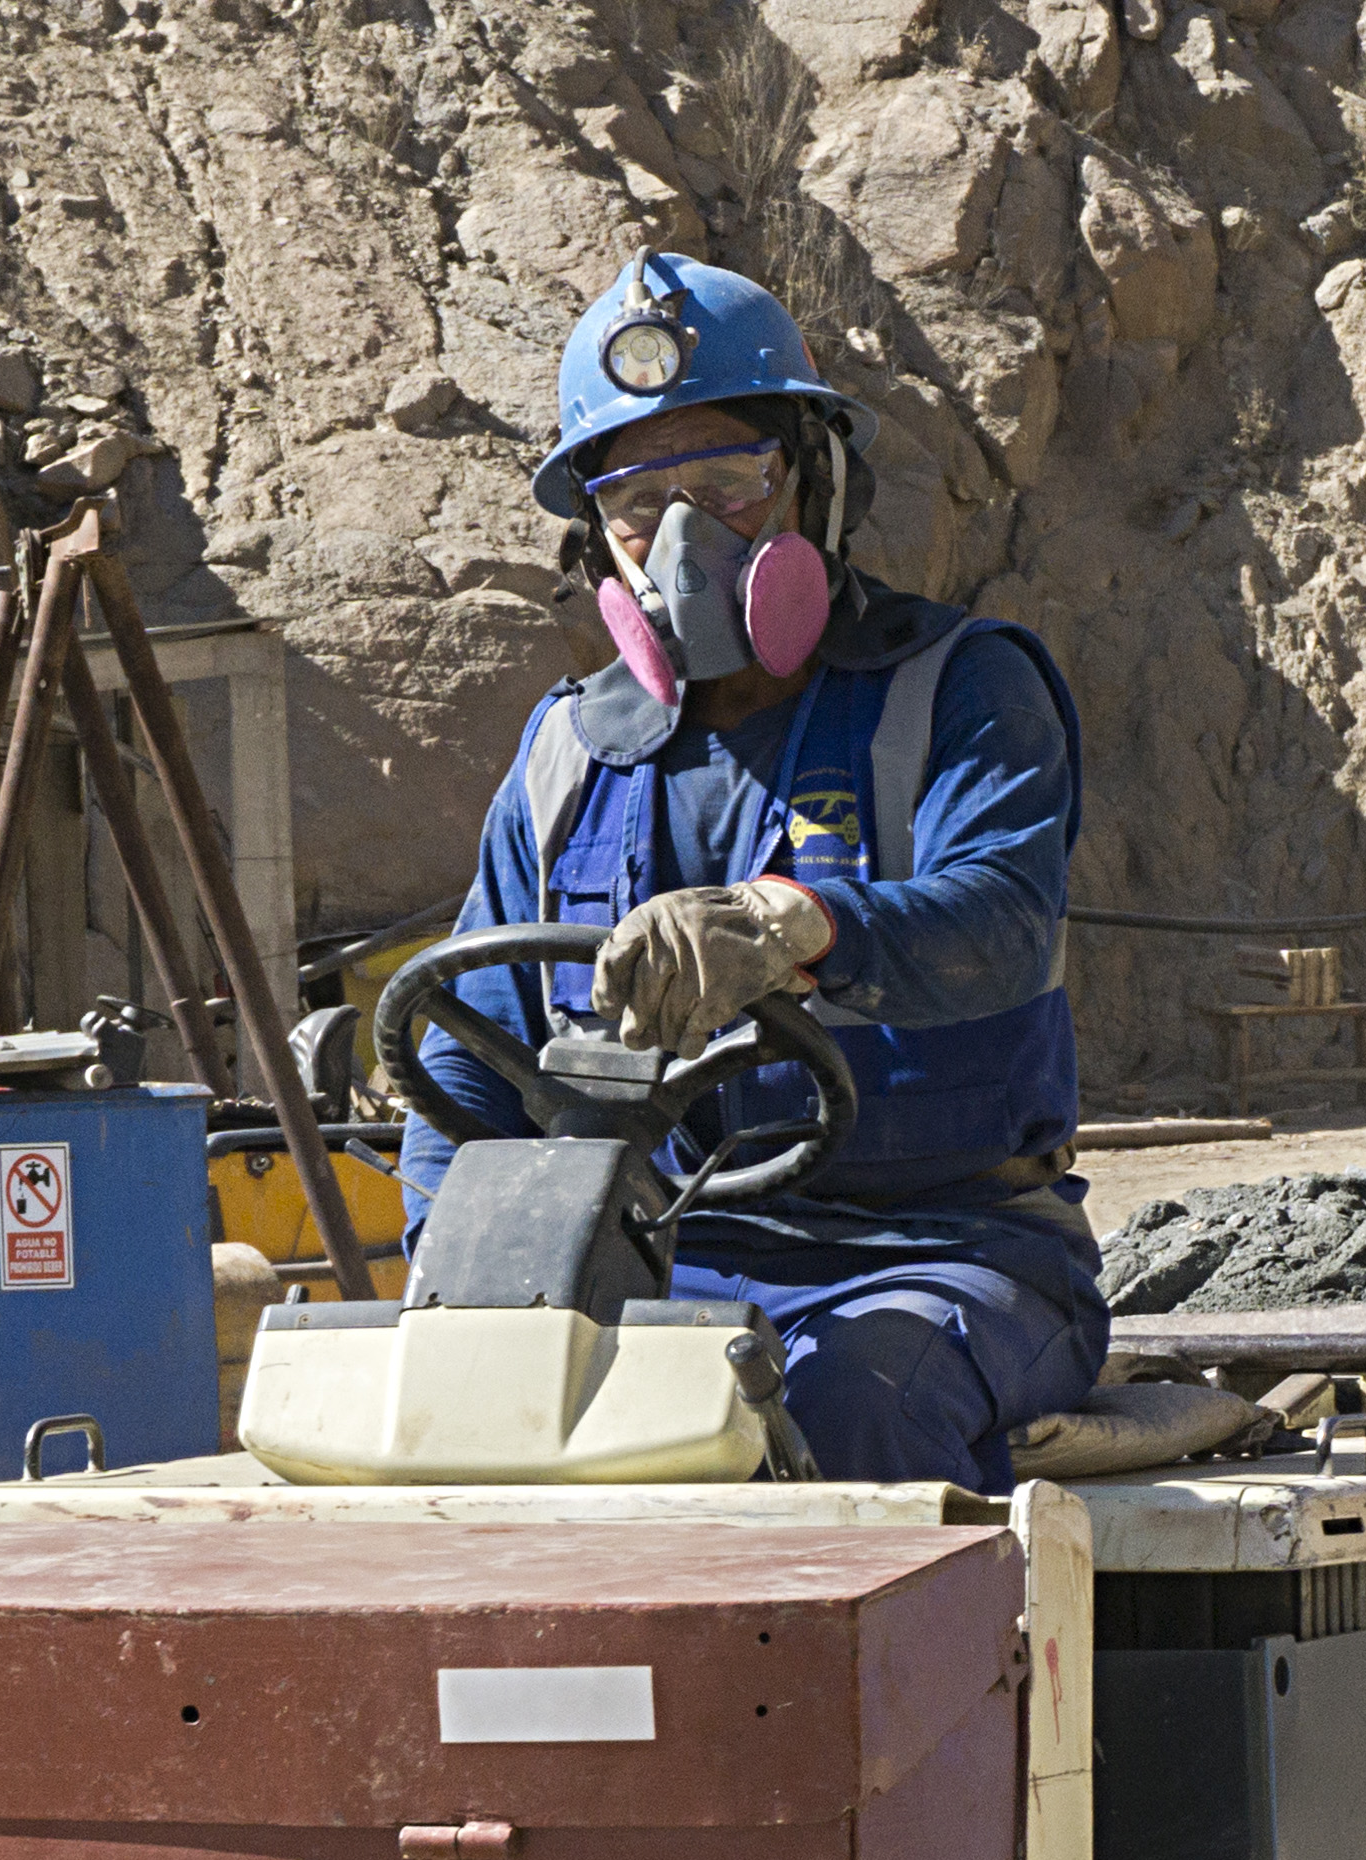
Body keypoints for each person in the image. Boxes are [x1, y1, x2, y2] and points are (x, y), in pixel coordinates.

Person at [389, 251, 1099, 1489]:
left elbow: (1001, 921)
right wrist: (454, 1276)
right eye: (633, 503)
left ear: (812, 485)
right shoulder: (570, 749)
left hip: (944, 1250)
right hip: (669, 1251)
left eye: (723, 484)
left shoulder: (960, 687)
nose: (677, 542)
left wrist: (796, 924)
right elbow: (464, 1053)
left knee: (843, 1405)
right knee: (461, 1440)